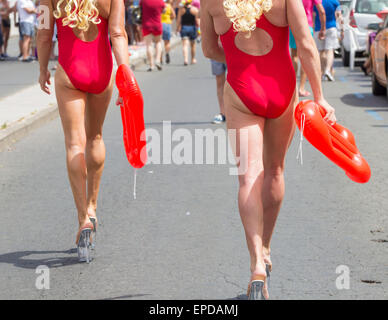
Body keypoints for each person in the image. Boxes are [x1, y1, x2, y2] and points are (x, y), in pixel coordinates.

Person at [201, 0, 336, 299]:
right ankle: (266, 247)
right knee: (275, 170)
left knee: (248, 178)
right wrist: (320, 97)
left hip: (240, 86)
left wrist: (237, 58)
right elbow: (305, 44)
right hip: (281, 87)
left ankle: (256, 265)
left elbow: (209, 51)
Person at [37, 0, 130, 262]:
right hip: (102, 70)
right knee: (96, 137)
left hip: (69, 70)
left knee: (74, 145)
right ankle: (93, 206)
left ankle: (82, 219)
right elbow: (118, 33)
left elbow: (44, 34)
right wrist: (124, 73)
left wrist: (42, 68)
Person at [290, 0, 326, 97]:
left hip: (292, 25)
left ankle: (293, 88)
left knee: (294, 56)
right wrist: (323, 28)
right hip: (306, 25)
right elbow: (321, 10)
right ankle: (301, 88)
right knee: (305, 56)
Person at [314, 0, 341, 81]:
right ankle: (327, 70)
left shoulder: (317, 1)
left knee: (321, 51)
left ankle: (322, 71)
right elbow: (338, 15)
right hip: (331, 27)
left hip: (318, 28)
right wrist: (342, 29)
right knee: (329, 50)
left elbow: (314, 15)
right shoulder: (335, 2)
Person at [140, 0, 165, 71]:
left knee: (149, 45)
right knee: (158, 42)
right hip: (157, 24)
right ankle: (157, 60)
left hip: (146, 25)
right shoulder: (160, 1)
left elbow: (139, 9)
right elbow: (164, 10)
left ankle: (151, 65)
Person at [176, 0, 199, 65]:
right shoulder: (195, 9)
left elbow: (178, 20)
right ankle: (193, 59)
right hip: (192, 28)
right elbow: (197, 21)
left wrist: (177, 28)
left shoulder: (181, 10)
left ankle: (185, 59)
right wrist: (199, 30)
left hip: (184, 28)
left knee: (185, 45)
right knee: (193, 45)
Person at [210, 59, 226, 124]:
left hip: (235, 51)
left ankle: (238, 112)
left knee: (237, 81)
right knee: (219, 80)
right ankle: (223, 113)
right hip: (217, 50)